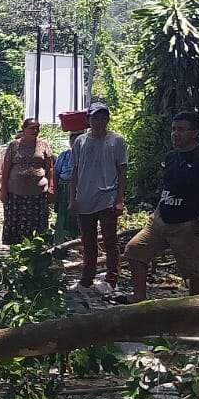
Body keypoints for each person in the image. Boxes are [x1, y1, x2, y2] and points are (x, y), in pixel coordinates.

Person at [118, 112, 199, 304]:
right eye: (173, 129)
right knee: (135, 250)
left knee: (193, 270)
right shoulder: (171, 157)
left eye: (181, 130)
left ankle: (198, 307)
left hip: (188, 223)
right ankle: (139, 297)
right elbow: (168, 187)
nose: (175, 134)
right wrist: (157, 213)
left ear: (194, 132)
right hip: (161, 220)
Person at [70, 103, 129, 293]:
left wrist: (119, 199)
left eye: (103, 117)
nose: (99, 121)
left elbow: (122, 171)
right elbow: (75, 170)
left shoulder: (117, 141)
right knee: (88, 241)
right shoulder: (80, 141)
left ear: (108, 119)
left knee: (110, 240)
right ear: (89, 120)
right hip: (85, 197)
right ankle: (87, 278)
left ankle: (112, 278)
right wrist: (73, 198)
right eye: (95, 117)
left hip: (108, 197)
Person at [0, 118, 55, 245]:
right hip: (16, 193)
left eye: (37, 127)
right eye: (32, 128)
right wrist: (3, 190)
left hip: (38, 193)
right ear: (24, 129)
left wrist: (51, 187)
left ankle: (36, 251)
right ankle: (17, 251)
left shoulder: (44, 145)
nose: (35, 130)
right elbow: (6, 169)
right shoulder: (14, 145)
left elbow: (50, 168)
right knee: (16, 223)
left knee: (37, 224)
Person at [54, 135, 78, 240]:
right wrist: (54, 190)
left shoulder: (88, 155)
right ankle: (61, 240)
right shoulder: (64, 155)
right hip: (65, 187)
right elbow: (55, 173)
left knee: (80, 216)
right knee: (63, 216)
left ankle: (77, 239)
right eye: (73, 141)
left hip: (82, 188)